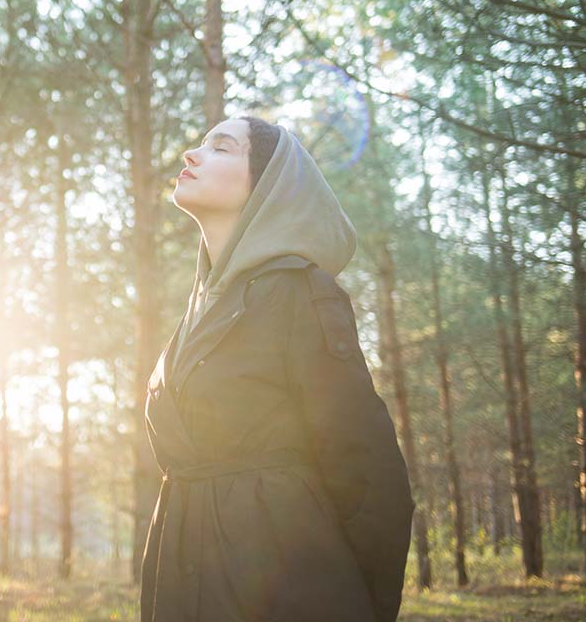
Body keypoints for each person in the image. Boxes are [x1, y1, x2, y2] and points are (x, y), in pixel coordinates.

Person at [140, 116, 415, 622]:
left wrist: (368, 607)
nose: (192, 156)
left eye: (221, 147)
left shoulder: (302, 293)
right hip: (184, 583)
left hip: (281, 590)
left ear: (266, 183)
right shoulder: (199, 310)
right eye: (200, 144)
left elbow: (370, 471)